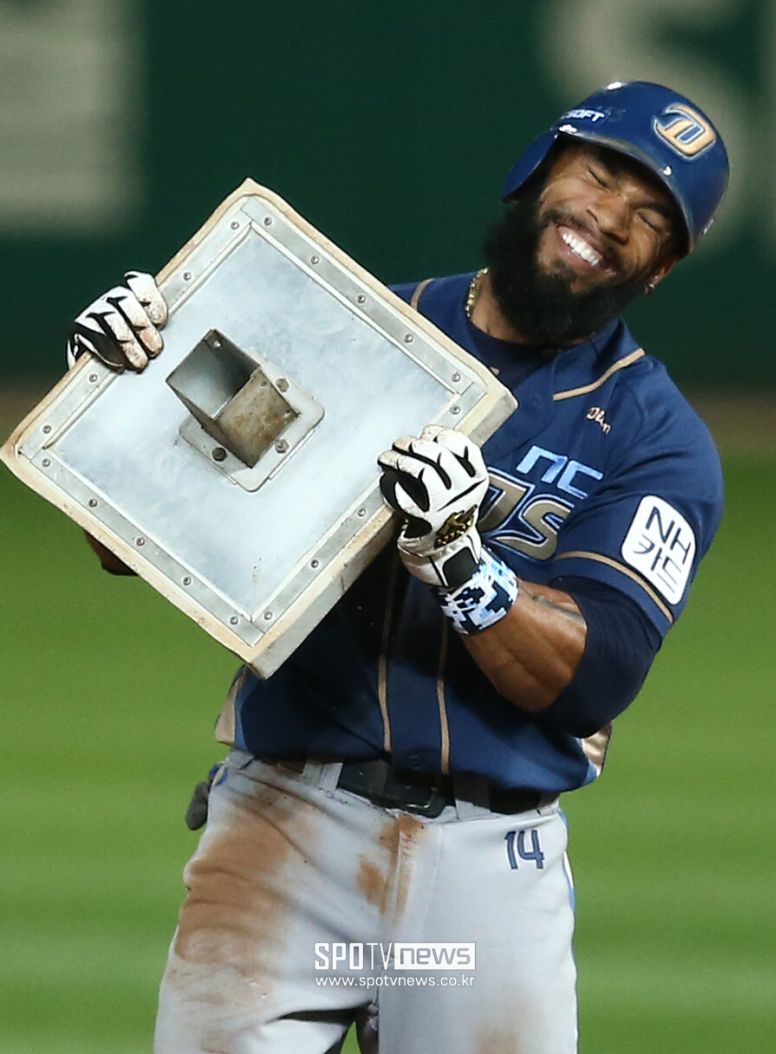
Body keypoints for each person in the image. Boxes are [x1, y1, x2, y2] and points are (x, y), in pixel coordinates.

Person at [67, 81, 729, 1054]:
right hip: (282, 836)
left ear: (660, 269)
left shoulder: (656, 441)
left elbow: (598, 672)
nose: (609, 218)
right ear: (540, 169)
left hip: (483, 874)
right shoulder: (357, 332)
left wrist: (463, 562)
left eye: (650, 219)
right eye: (599, 175)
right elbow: (131, 542)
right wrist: (118, 391)